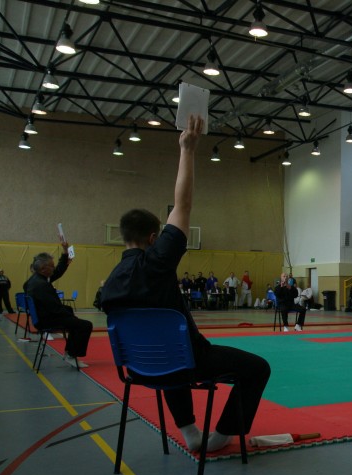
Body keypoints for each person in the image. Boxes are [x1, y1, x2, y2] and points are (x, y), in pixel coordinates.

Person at [100, 117, 270, 452]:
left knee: (165, 350)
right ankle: (222, 435)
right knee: (257, 368)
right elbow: (183, 205)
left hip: (139, 368)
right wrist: (187, 150)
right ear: (154, 238)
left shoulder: (109, 286)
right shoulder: (158, 261)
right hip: (185, 362)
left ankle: (189, 430)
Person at [24, 245, 93, 368]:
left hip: (41, 316)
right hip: (46, 320)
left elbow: (58, 272)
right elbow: (56, 309)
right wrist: (73, 319)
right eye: (52, 266)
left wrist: (65, 253)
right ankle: (71, 355)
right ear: (43, 269)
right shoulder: (42, 285)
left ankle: (70, 351)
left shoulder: (34, 280)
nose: (54, 268)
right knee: (85, 325)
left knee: (70, 313)